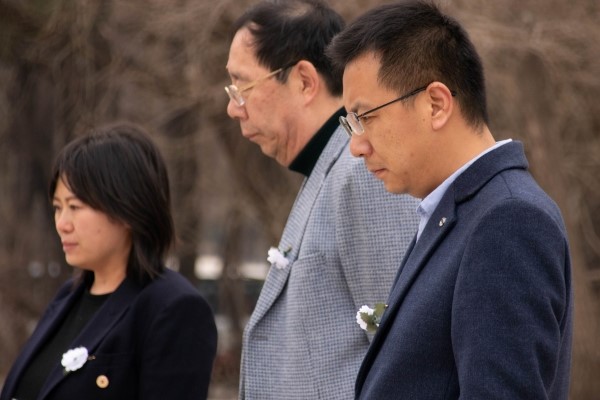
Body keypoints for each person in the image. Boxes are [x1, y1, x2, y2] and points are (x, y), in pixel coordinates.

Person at [326, 1, 573, 399]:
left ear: (436, 104)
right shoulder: (460, 212)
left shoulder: (508, 220)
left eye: (365, 117)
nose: (356, 146)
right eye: (350, 123)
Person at [225, 0, 419, 399]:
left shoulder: (363, 173)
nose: (232, 108)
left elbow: (405, 356)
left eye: (242, 86)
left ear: (304, 81)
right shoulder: (332, 169)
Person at [0, 123, 218, 400]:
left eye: (75, 207)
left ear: (127, 209)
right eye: (57, 207)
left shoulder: (173, 308)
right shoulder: (68, 297)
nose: (62, 224)